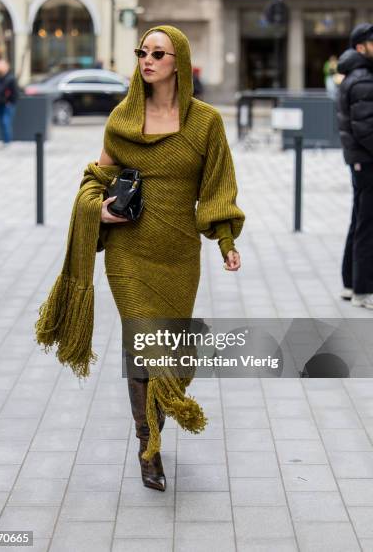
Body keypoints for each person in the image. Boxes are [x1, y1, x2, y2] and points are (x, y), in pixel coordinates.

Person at [98, 25, 245, 490]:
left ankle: (157, 423)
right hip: (129, 250)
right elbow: (95, 176)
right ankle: (148, 447)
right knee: (140, 345)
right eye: (142, 52)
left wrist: (225, 240)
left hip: (179, 252)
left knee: (171, 347)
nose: (147, 60)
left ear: (177, 62)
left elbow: (218, 185)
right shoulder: (122, 118)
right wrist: (97, 209)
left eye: (158, 54)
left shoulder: (205, 122)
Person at [337, 22, 373, 310]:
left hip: (360, 161)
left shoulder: (356, 74)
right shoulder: (363, 78)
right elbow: (366, 128)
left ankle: (350, 284)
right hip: (367, 160)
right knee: (367, 226)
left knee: (358, 221)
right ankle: (364, 290)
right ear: (361, 46)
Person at [0, 58, 18, 146]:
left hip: (7, 105)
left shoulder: (11, 79)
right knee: (2, 123)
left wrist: (10, 102)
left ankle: (7, 141)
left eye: (0, 65)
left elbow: (15, 93)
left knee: (5, 122)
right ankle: (4, 140)